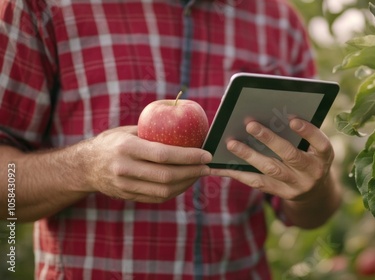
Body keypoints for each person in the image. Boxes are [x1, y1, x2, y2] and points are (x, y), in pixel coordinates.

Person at [0, 0, 342, 279]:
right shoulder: (42, 7)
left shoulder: (279, 21)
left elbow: (313, 214)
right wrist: (84, 168)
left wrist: (313, 187)